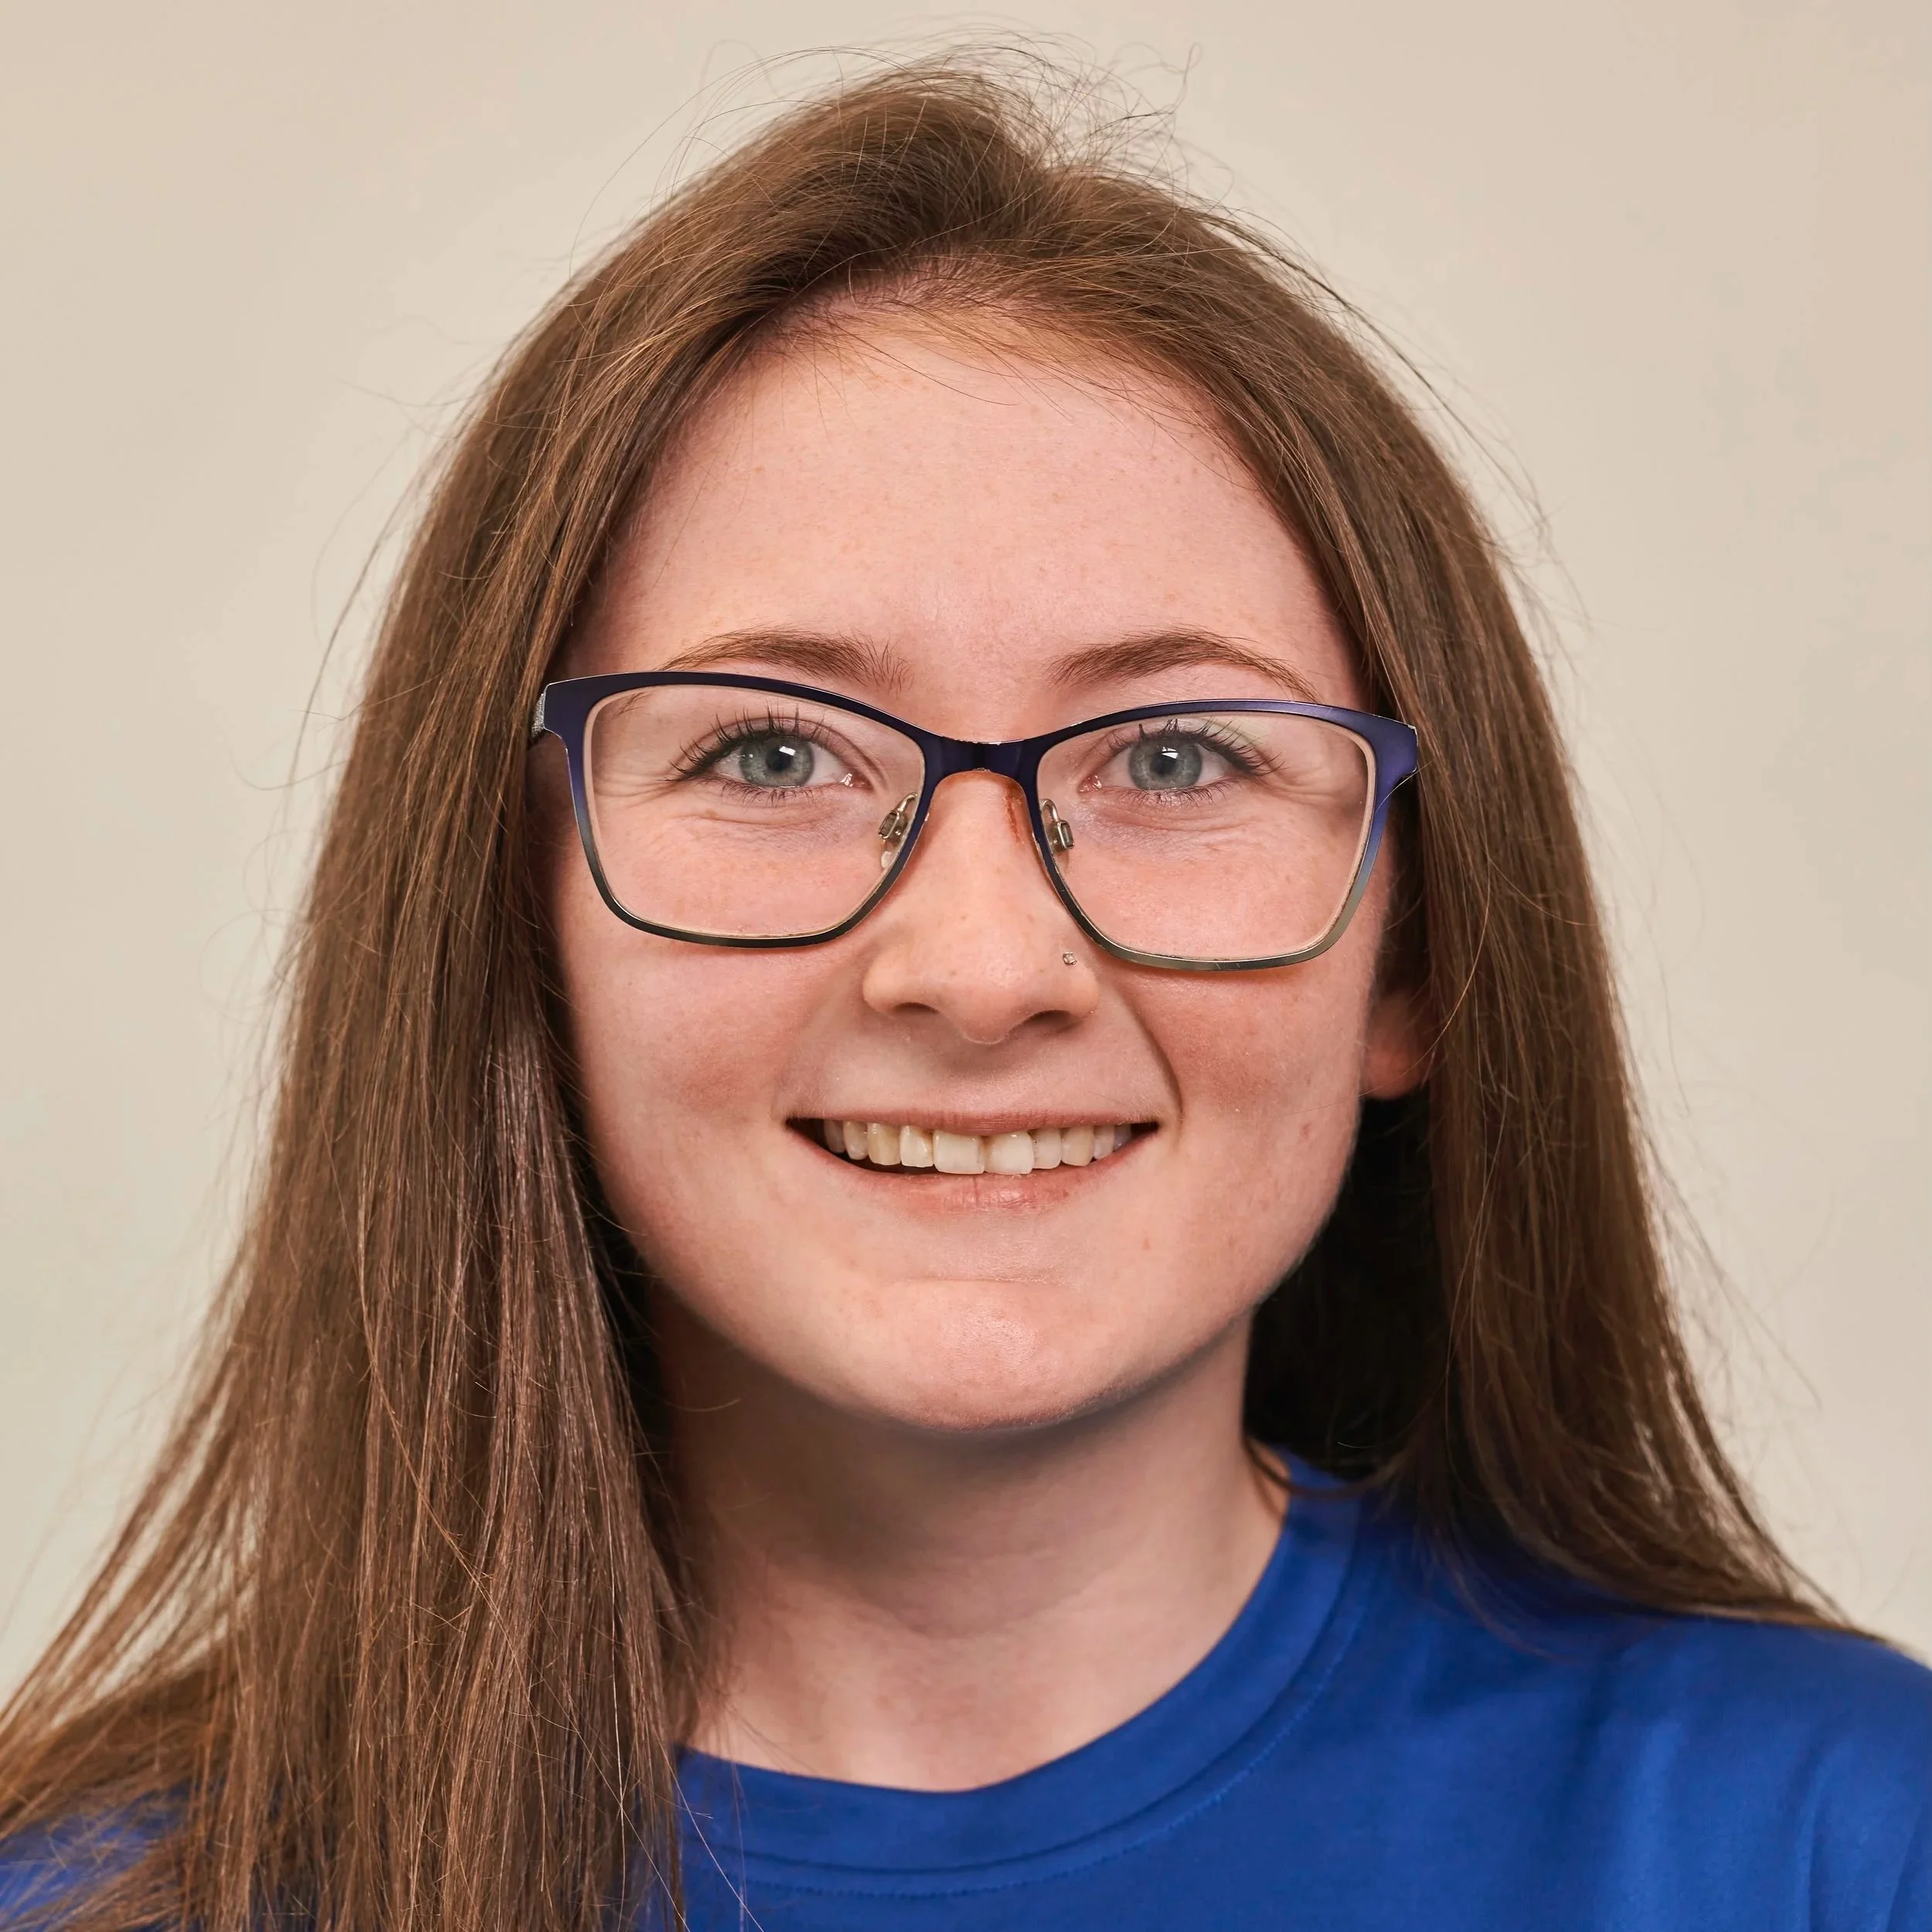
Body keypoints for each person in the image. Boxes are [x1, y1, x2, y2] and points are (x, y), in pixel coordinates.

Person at [1, 53, 1924, 1932]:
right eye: (770, 754)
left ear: (1409, 951)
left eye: (1174, 756)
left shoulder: (1840, 1847)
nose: (984, 970)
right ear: (519, 920)